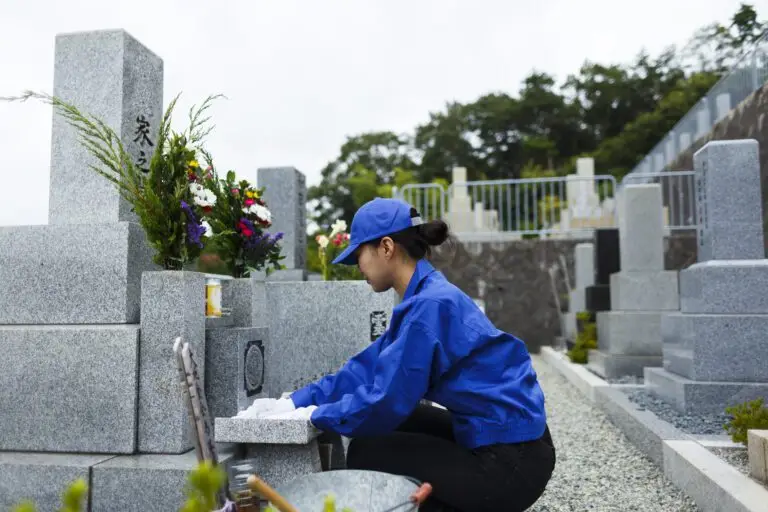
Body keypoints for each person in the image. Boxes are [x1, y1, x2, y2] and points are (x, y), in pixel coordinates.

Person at [243, 197, 556, 511]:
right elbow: (364, 369)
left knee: (369, 453)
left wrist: (315, 415)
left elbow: (388, 400)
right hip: (505, 439)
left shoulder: (429, 306)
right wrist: (294, 401)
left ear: (387, 247)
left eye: (359, 256)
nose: (359, 268)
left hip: (512, 462)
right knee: (390, 430)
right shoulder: (424, 295)